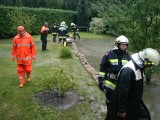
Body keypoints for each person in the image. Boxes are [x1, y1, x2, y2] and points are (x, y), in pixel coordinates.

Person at [106, 48, 160, 120]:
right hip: (124, 106)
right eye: (150, 64)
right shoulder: (128, 71)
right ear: (146, 60)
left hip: (133, 102)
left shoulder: (139, 67)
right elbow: (123, 91)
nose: (150, 67)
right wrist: (122, 110)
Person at [98, 35, 131, 109]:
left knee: (120, 102)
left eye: (125, 45)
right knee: (109, 102)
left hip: (122, 84)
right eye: (122, 44)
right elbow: (102, 68)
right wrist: (100, 80)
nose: (124, 46)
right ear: (117, 44)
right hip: (110, 83)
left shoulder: (127, 56)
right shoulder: (109, 55)